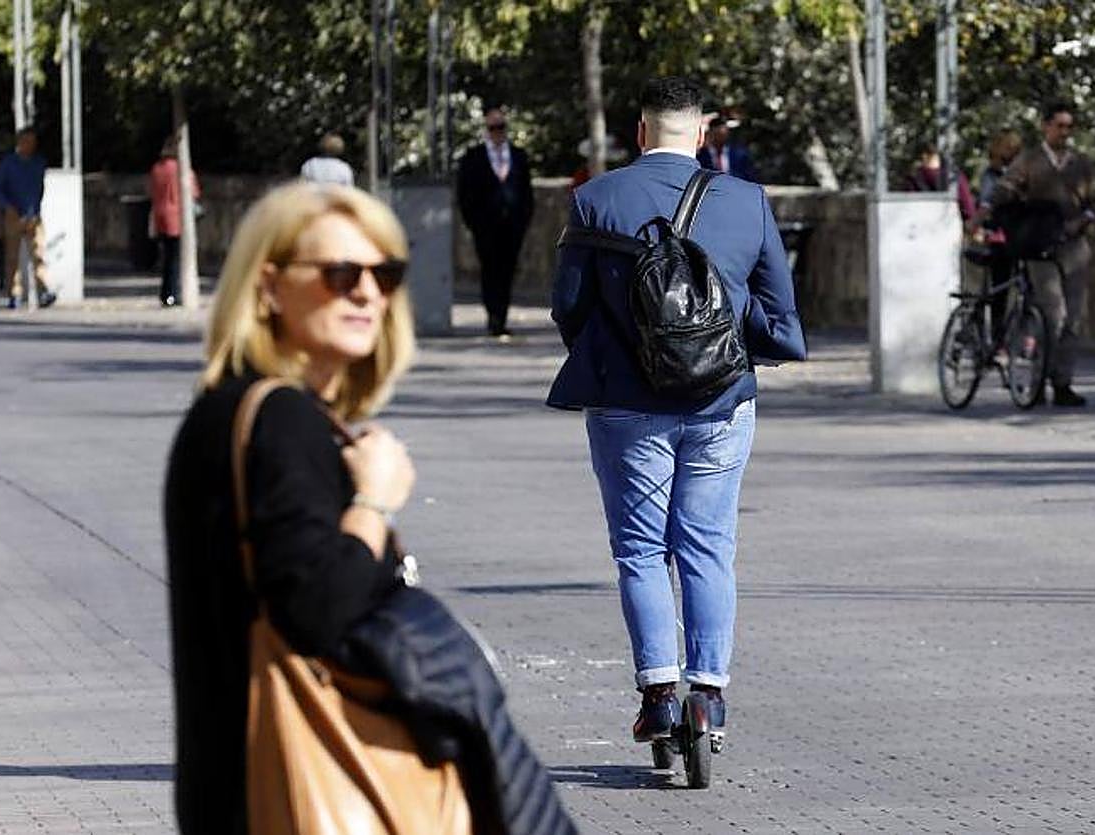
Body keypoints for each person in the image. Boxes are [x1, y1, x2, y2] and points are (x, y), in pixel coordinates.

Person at [164, 183, 575, 835]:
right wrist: (374, 499)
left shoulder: (226, 412)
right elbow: (316, 608)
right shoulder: (281, 421)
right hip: (297, 788)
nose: (367, 293)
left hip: (239, 785)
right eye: (338, 273)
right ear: (267, 287)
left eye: (385, 274)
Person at [548, 77, 805, 745]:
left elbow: (568, 306)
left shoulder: (595, 199)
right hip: (721, 402)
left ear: (640, 133)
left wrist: (616, 353)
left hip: (625, 405)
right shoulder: (746, 201)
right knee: (708, 545)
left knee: (639, 548)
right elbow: (778, 309)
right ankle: (709, 697)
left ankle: (660, 694)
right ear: (699, 134)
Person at [984, 101, 1095, 407]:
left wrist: (1084, 219)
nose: (1064, 132)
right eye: (1059, 126)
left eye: (1069, 127)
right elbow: (1005, 188)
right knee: (1054, 315)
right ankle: (1038, 379)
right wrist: (996, 205)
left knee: (1073, 321)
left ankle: (1062, 382)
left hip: (1074, 247)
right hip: (1040, 246)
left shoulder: (1081, 163)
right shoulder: (1030, 160)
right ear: (1046, 126)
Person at [457, 107, 534, 338]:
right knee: (489, 270)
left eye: (501, 127)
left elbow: (526, 192)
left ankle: (502, 314)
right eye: (493, 128)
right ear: (486, 130)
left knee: (507, 271)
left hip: (512, 225)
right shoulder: (474, 157)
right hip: (485, 226)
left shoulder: (518, 156)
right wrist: (472, 222)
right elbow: (464, 193)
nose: (497, 132)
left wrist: (523, 219)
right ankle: (493, 316)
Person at [0, 126, 55, 309]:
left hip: (33, 215)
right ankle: (14, 293)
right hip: (13, 215)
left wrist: (35, 209)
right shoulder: (8, 164)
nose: (30, 145)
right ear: (19, 142)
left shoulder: (38, 163)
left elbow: (40, 189)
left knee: (38, 254)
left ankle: (43, 291)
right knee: (12, 257)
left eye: (33, 142)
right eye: (27, 141)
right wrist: (7, 207)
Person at [974, 129, 1023, 348]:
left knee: (1006, 291)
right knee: (1001, 291)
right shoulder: (994, 175)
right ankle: (1000, 339)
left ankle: (1003, 339)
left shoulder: (1004, 173)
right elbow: (987, 204)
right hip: (1005, 238)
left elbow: (986, 204)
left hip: (1014, 236)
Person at [148, 135, 201, 306]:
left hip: (160, 216)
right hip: (177, 218)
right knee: (175, 259)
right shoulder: (182, 170)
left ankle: (166, 295)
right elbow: (193, 193)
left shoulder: (156, 168)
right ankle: (172, 295)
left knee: (167, 258)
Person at [904, 144, 976, 221]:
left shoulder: (913, 179)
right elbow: (969, 211)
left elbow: (907, 210)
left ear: (923, 156)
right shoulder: (956, 177)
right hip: (950, 227)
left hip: (921, 227)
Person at [696, 114, 757, 182]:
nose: (721, 138)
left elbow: (750, 177)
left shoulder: (739, 153)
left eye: (724, 134)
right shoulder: (701, 156)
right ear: (711, 134)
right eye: (718, 134)